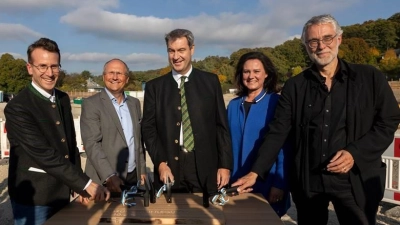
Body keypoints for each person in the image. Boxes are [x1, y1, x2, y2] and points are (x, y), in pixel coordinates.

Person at [232, 14, 400, 225]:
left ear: (339, 39)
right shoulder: (295, 86)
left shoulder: (370, 78)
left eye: (327, 38)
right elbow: (278, 132)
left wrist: (354, 153)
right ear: (306, 46)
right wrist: (256, 172)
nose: (321, 46)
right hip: (309, 183)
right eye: (313, 41)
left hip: (355, 179)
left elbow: (388, 121)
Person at [4, 37, 110, 225]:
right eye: (42, 66)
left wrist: (78, 186)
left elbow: (70, 144)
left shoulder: (62, 98)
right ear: (30, 68)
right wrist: (85, 183)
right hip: (35, 199)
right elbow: (43, 153)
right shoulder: (18, 107)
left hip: (62, 192)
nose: (49, 73)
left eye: (54, 66)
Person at [141, 29, 233, 199]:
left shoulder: (211, 82)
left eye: (181, 50)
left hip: (204, 167)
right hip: (168, 167)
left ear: (192, 49)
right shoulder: (155, 87)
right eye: (171, 51)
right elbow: (148, 129)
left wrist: (225, 165)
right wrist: (160, 163)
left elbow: (222, 127)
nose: (176, 57)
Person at [227, 51, 290, 217]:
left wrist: (280, 183)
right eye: (246, 71)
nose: (251, 76)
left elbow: (283, 146)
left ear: (266, 74)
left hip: (266, 180)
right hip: (236, 179)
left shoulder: (276, 102)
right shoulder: (233, 105)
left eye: (256, 71)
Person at [81, 58, 146, 193]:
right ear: (104, 77)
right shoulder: (91, 104)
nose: (115, 77)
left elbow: (137, 140)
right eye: (111, 73)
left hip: (133, 175)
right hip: (104, 180)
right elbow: (92, 144)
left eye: (119, 73)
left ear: (127, 79)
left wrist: (142, 169)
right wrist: (109, 175)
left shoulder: (134, 104)